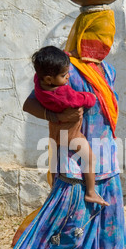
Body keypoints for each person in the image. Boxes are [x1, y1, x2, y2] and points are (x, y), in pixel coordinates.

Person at [0, 8, 126, 249]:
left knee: (106, 241)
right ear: (83, 34)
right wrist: (57, 118)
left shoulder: (106, 72)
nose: (104, 42)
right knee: (66, 236)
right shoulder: (65, 69)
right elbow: (32, 104)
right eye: (98, 34)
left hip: (106, 166)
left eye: (108, 36)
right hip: (73, 168)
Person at [32, 45, 109, 207]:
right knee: (90, 158)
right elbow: (86, 99)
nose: (67, 77)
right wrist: (90, 95)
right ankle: (91, 192)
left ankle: (53, 182)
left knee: (54, 163)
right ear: (49, 79)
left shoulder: (39, 83)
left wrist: (65, 55)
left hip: (56, 132)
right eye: (63, 75)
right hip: (72, 135)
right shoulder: (62, 94)